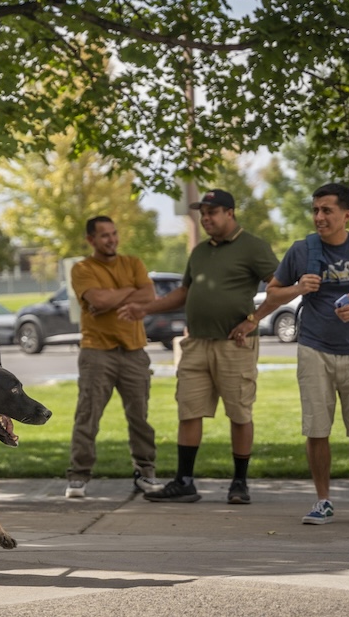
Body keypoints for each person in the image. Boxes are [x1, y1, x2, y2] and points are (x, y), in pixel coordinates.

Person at [118, 189, 281, 504]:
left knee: (239, 413)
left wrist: (253, 319)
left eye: (213, 212)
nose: (206, 218)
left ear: (230, 213)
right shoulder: (200, 251)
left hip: (235, 345)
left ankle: (239, 483)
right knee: (189, 410)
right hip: (196, 345)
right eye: (203, 213)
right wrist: (145, 309)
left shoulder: (254, 247)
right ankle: (185, 481)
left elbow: (280, 287)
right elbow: (184, 293)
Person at [266, 183, 349, 526]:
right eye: (316, 210)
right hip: (313, 349)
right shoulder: (301, 250)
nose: (319, 217)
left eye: (327, 211)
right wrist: (297, 288)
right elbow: (273, 293)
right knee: (317, 429)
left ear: (346, 214)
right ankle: (323, 501)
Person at [65, 216, 164, 498]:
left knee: (139, 417)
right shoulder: (82, 268)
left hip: (134, 351)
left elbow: (150, 295)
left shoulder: (133, 263)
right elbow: (98, 301)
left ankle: (145, 473)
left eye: (114, 233)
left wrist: (115, 296)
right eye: (104, 235)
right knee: (88, 415)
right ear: (91, 240)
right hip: (97, 352)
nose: (111, 239)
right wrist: (130, 293)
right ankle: (78, 476)